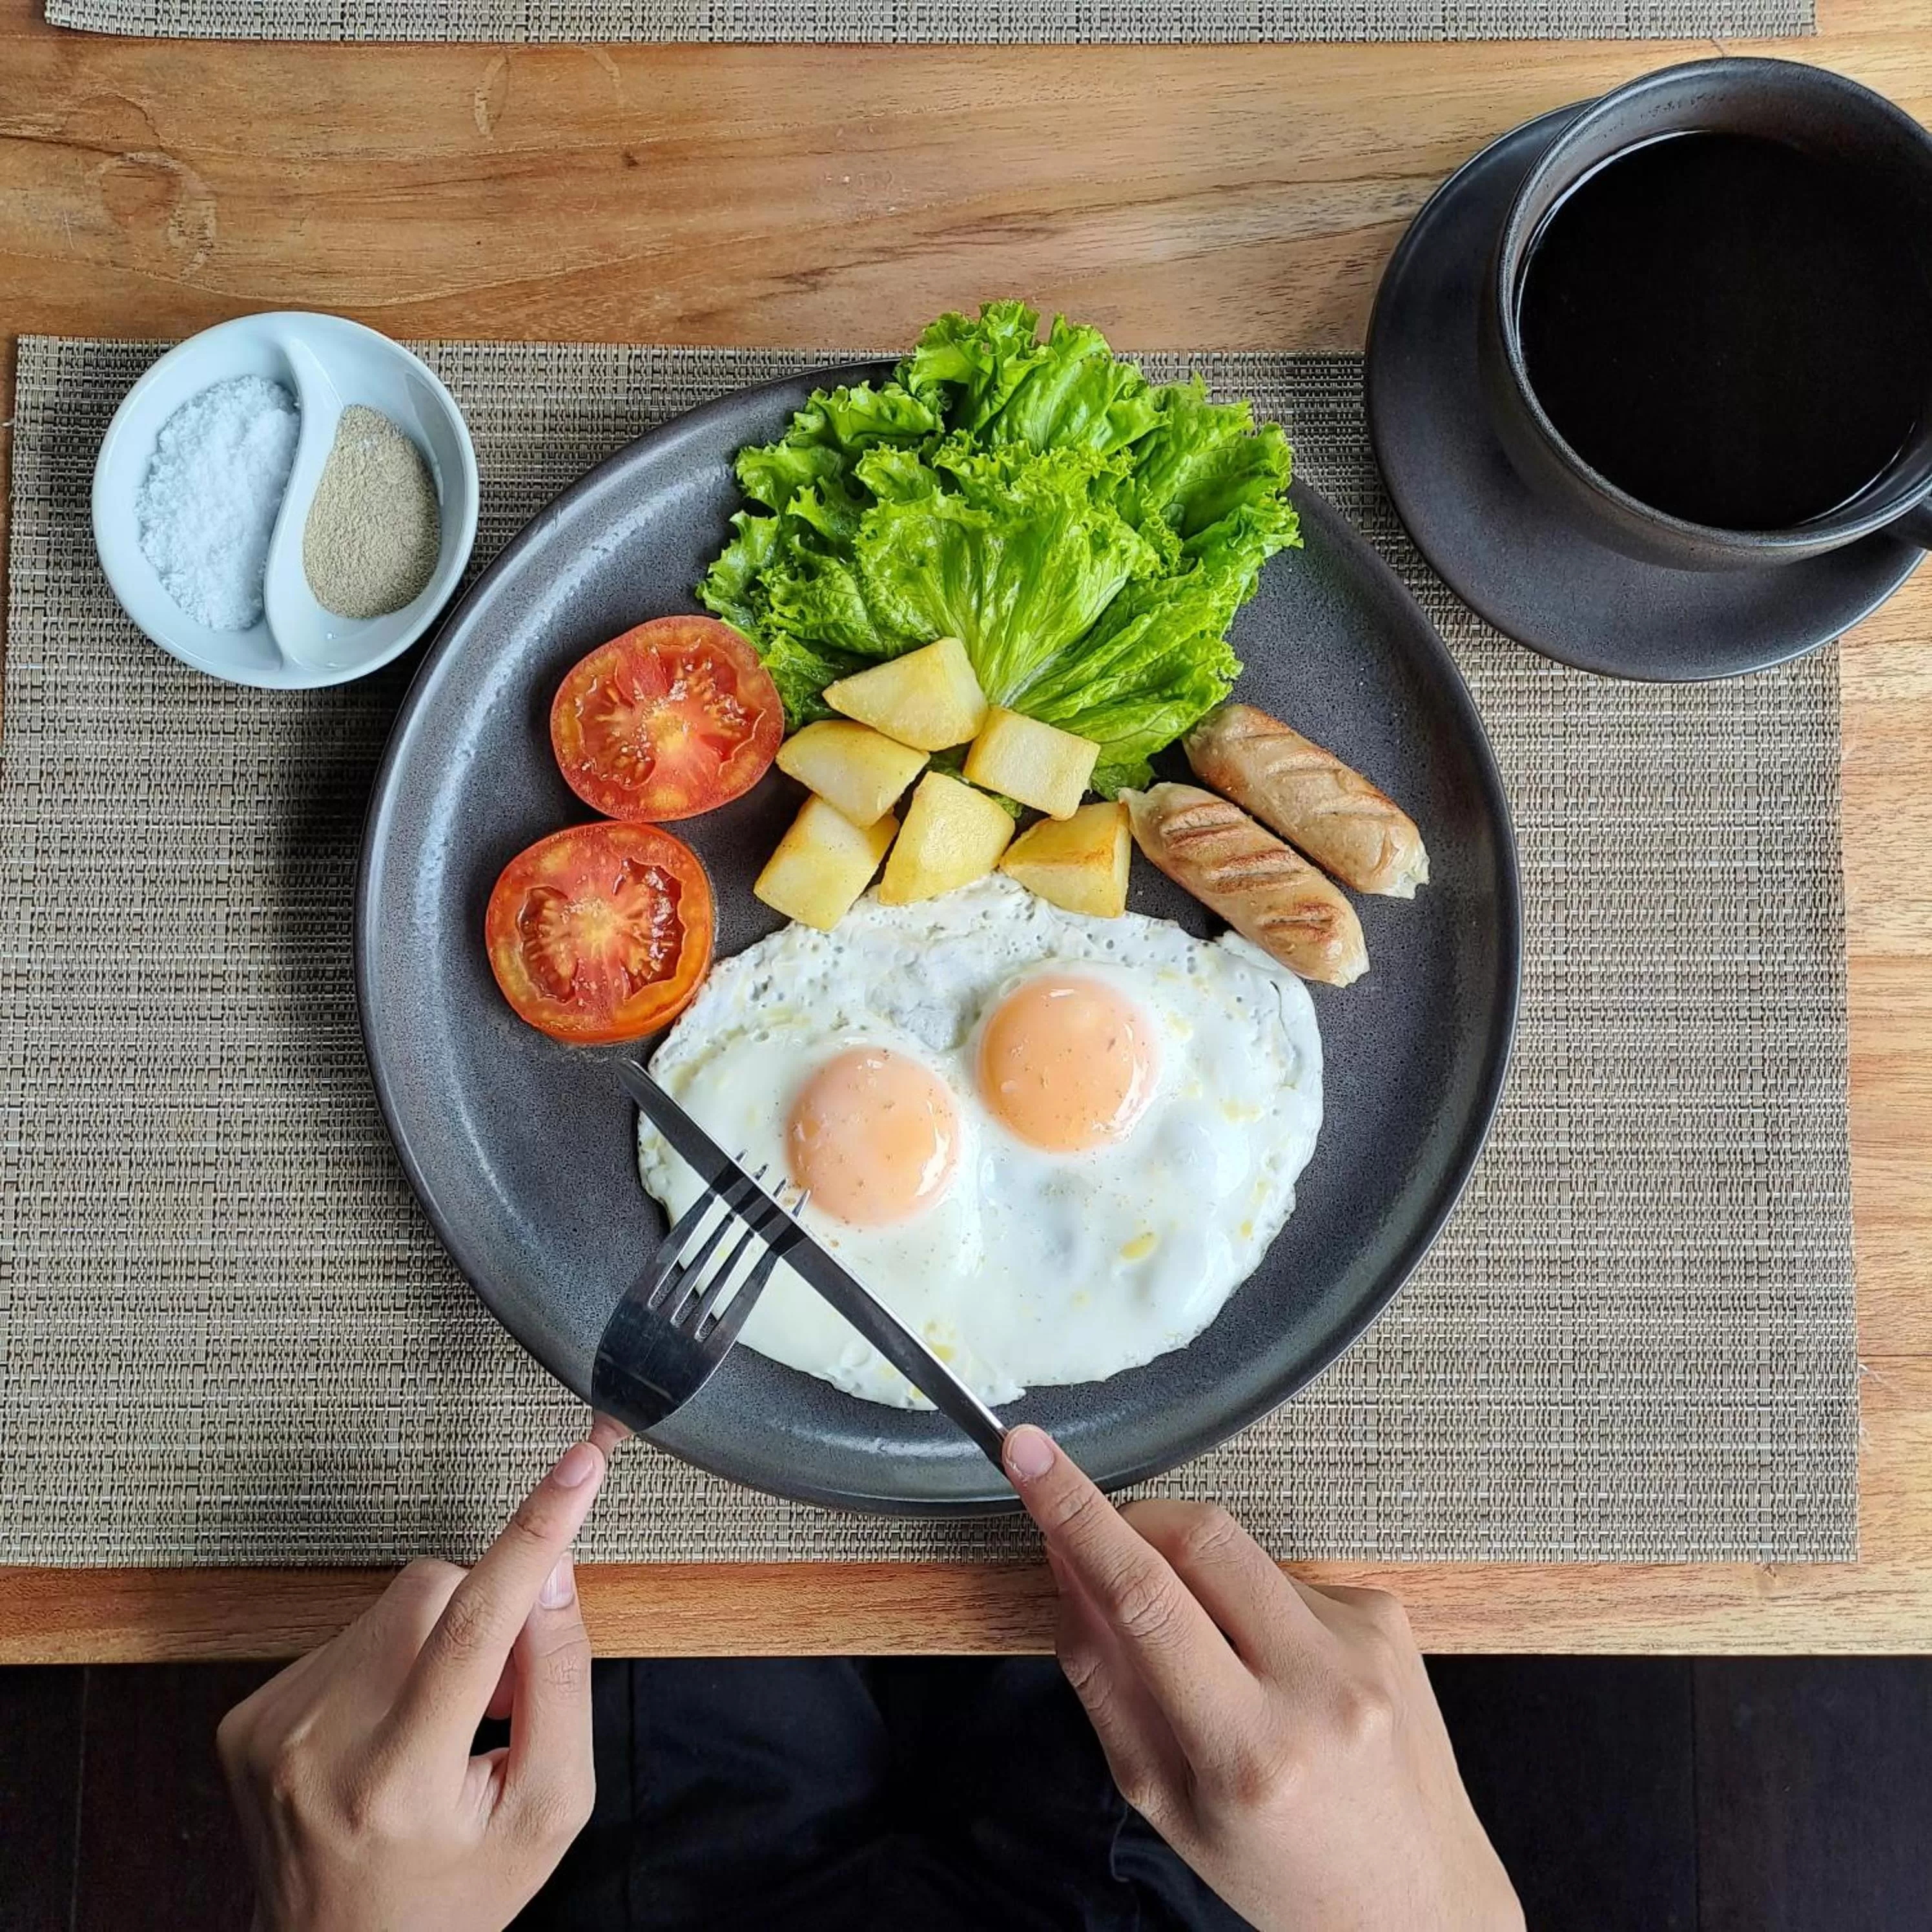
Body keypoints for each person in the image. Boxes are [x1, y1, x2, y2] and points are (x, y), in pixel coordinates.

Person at [218, 1427, 1523, 1930]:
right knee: (1133, 1543)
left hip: (677, 1891)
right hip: (1127, 1903)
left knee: (622, 1549)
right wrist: (1427, 1911)